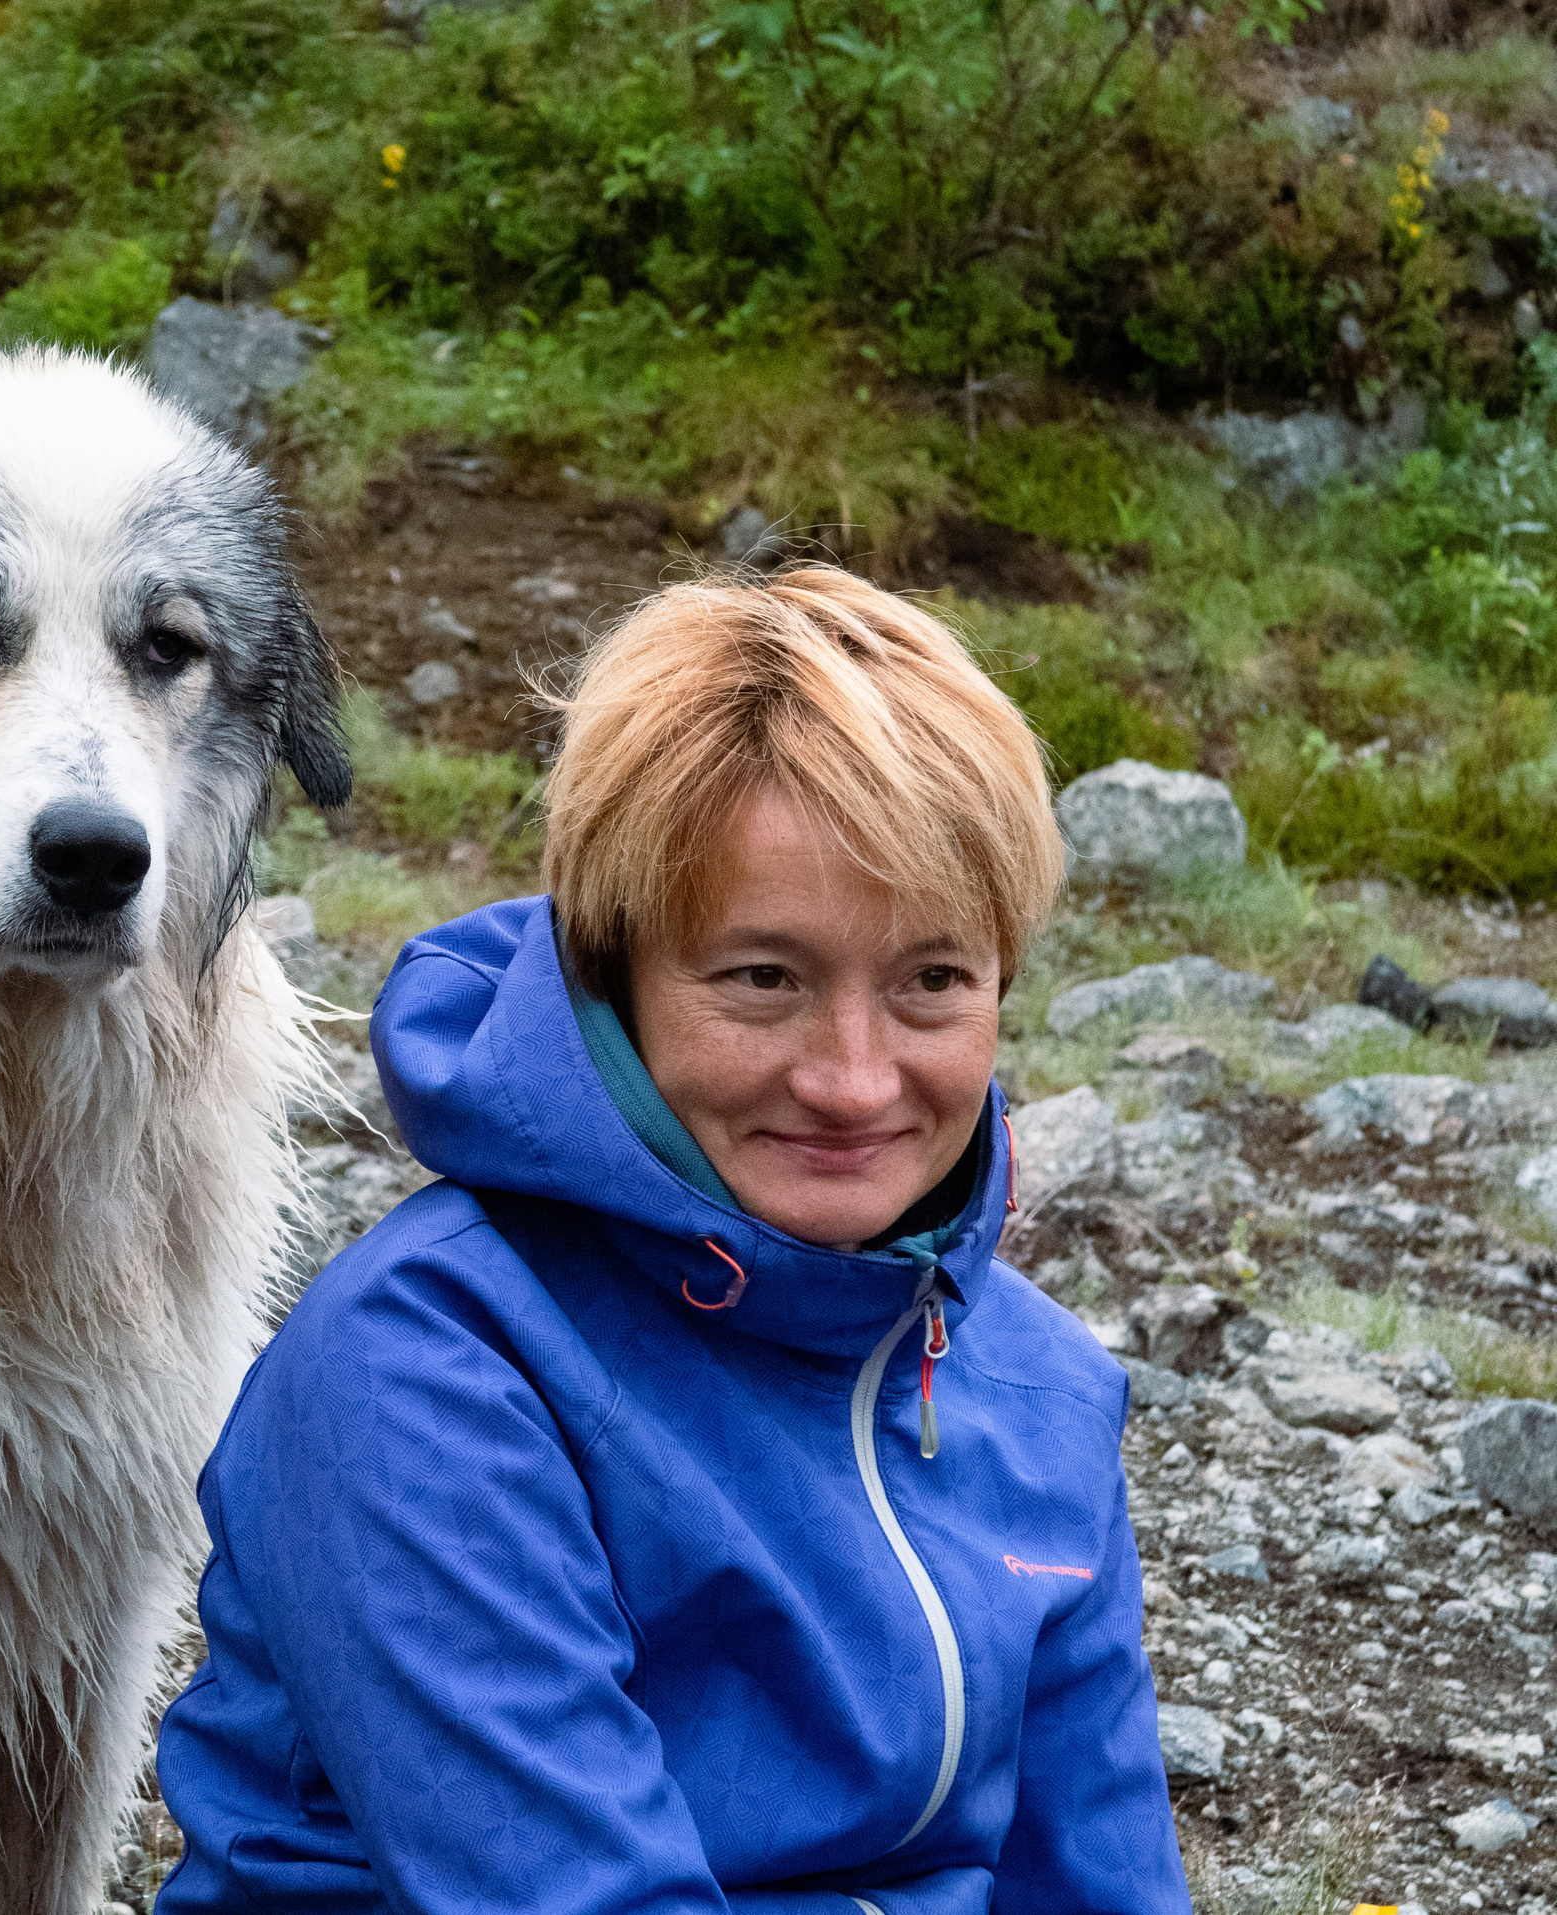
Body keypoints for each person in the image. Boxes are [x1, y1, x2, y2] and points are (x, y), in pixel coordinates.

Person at [154, 566, 1186, 1913]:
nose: (855, 1080)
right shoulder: (426, 1374)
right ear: (613, 972)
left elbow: (1102, 1890)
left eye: (933, 981)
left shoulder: (1040, 1388)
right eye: (764, 980)